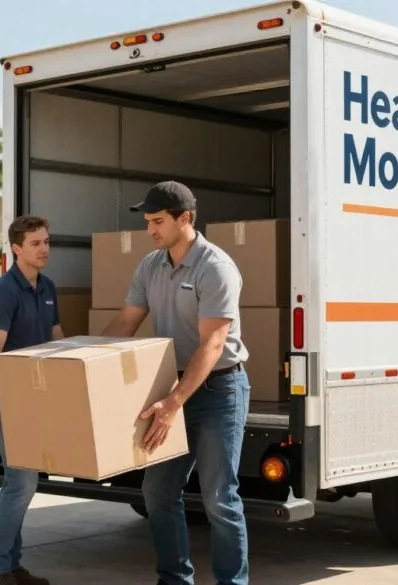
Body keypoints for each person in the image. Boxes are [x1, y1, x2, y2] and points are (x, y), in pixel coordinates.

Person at [102, 181, 251, 585]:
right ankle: (174, 579)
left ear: (185, 218)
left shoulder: (215, 267)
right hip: (173, 387)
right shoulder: (151, 265)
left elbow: (213, 345)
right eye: (148, 222)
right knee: (158, 494)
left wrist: (173, 404)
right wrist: (85, 359)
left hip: (219, 390)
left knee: (220, 498)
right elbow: (125, 324)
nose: (150, 230)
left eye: (157, 221)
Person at [0, 215, 62, 585]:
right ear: (17, 248)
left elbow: (57, 338)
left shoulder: (48, 287)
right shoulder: (4, 292)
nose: (44, 249)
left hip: (37, 396)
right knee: (22, 483)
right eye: (36, 243)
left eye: (47, 241)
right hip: (9, 395)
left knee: (17, 481)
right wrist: (11, 401)